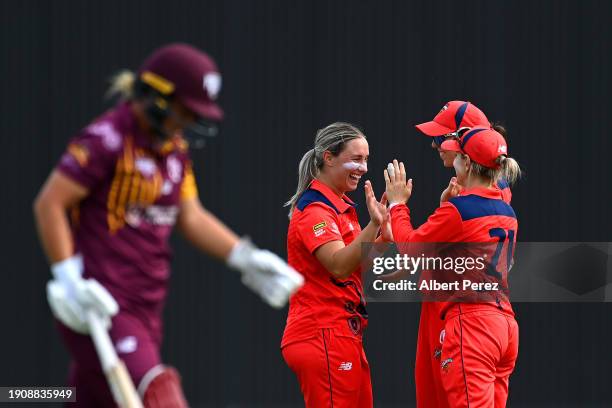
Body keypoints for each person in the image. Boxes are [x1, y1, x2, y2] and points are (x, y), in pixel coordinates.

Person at [33, 43, 303, 407]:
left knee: (90, 398)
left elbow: (190, 216)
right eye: (186, 111)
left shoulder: (173, 150)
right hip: (101, 303)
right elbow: (50, 202)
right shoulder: (108, 138)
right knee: (159, 393)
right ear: (157, 95)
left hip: (146, 307)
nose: (189, 123)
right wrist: (68, 278)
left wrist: (245, 257)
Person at [384, 127, 521, 408]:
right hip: (504, 324)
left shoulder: (460, 210)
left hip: (473, 325)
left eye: (459, 154)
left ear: (468, 163)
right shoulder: (507, 210)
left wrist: (397, 205)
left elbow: (410, 245)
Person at [281, 122, 390, 408]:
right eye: (356, 158)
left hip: (342, 333)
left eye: (366, 159)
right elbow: (338, 266)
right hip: (323, 332)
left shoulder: (340, 207)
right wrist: (373, 226)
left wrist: (383, 240)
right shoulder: (316, 209)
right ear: (328, 157)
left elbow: (360, 269)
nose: (363, 167)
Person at [416, 100, 512, 204]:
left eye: (440, 137)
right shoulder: (486, 182)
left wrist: (397, 204)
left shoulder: (483, 189)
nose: (434, 144)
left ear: (464, 135)